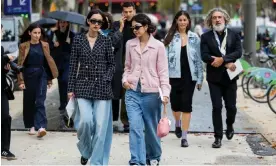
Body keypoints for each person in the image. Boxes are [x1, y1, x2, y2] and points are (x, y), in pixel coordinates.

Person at [67, 9, 115, 165]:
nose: (96, 24)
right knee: (86, 122)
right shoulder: (78, 40)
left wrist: (106, 78)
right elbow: (73, 65)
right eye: (93, 21)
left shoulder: (106, 40)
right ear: (88, 21)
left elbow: (111, 65)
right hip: (82, 85)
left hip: (102, 86)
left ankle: (96, 161)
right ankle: (86, 150)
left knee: (101, 127)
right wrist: (70, 88)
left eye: (99, 22)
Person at [122, 13, 171, 165]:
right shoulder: (130, 44)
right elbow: (128, 67)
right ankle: (137, 160)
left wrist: (165, 93)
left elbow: (163, 72)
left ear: (146, 26)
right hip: (132, 92)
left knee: (150, 129)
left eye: (137, 27)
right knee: (135, 128)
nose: (135, 30)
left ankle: (154, 156)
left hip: (152, 93)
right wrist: (124, 80)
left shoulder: (158, 46)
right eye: (133, 27)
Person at [200, 8, 242, 148]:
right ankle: (218, 137)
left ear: (225, 19)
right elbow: (204, 56)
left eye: (220, 17)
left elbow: (238, 52)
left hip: (230, 77)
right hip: (214, 78)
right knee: (216, 107)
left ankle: (229, 125)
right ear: (210, 21)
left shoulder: (234, 35)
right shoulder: (205, 37)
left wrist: (222, 59)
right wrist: (224, 63)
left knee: (231, 107)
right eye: (214, 18)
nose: (217, 20)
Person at [163, 11, 203, 147]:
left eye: (185, 20)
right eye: (180, 20)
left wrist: (200, 79)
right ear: (176, 21)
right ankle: (177, 123)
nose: (182, 22)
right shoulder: (170, 38)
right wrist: (163, 78)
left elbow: (199, 60)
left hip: (189, 77)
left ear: (188, 22)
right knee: (175, 104)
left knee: (186, 104)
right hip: (173, 76)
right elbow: (164, 59)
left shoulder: (194, 38)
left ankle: (184, 137)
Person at [17, 23, 58, 137]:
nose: (37, 35)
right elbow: (20, 65)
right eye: (35, 33)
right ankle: (31, 126)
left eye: (39, 33)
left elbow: (47, 62)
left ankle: (41, 127)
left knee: (40, 100)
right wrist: (21, 81)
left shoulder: (45, 45)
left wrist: (49, 80)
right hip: (29, 75)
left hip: (42, 75)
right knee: (29, 101)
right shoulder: (23, 46)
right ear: (30, 33)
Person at [112, 2, 136, 132]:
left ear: (134, 11)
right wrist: (120, 28)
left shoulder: (137, 24)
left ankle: (126, 121)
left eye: (130, 11)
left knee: (129, 91)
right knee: (117, 90)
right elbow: (113, 42)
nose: (128, 14)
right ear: (122, 12)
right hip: (119, 59)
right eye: (125, 12)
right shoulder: (117, 25)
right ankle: (114, 118)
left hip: (134, 60)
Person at [48, 20, 75, 128]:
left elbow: (75, 49)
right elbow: (49, 46)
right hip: (58, 62)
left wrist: (69, 44)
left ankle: (68, 103)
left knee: (65, 80)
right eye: (61, 23)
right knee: (60, 82)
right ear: (58, 24)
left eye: (64, 23)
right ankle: (62, 103)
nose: (63, 24)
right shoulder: (55, 34)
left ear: (68, 24)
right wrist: (54, 45)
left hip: (68, 62)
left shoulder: (72, 35)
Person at [1, 24, 16, 160]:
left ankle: (5, 149)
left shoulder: (1, 49)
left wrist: (5, 68)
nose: (2, 32)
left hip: (1, 90)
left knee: (5, 117)